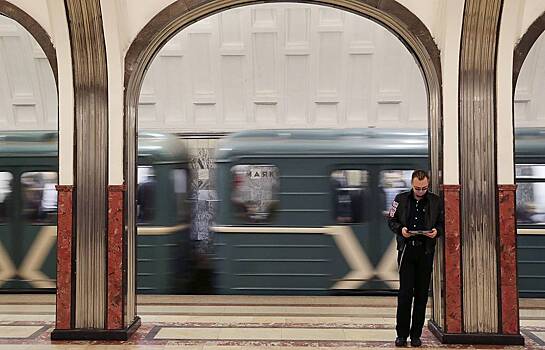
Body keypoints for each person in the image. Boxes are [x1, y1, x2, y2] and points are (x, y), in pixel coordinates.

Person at [387, 169, 444, 347]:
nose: (420, 192)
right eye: (417, 188)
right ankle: (401, 335)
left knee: (421, 296)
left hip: (425, 252)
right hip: (406, 251)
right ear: (412, 184)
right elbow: (391, 219)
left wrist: (437, 232)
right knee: (405, 295)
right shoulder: (400, 199)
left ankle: (416, 336)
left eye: (424, 188)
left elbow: (442, 223)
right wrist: (400, 230)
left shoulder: (436, 201)